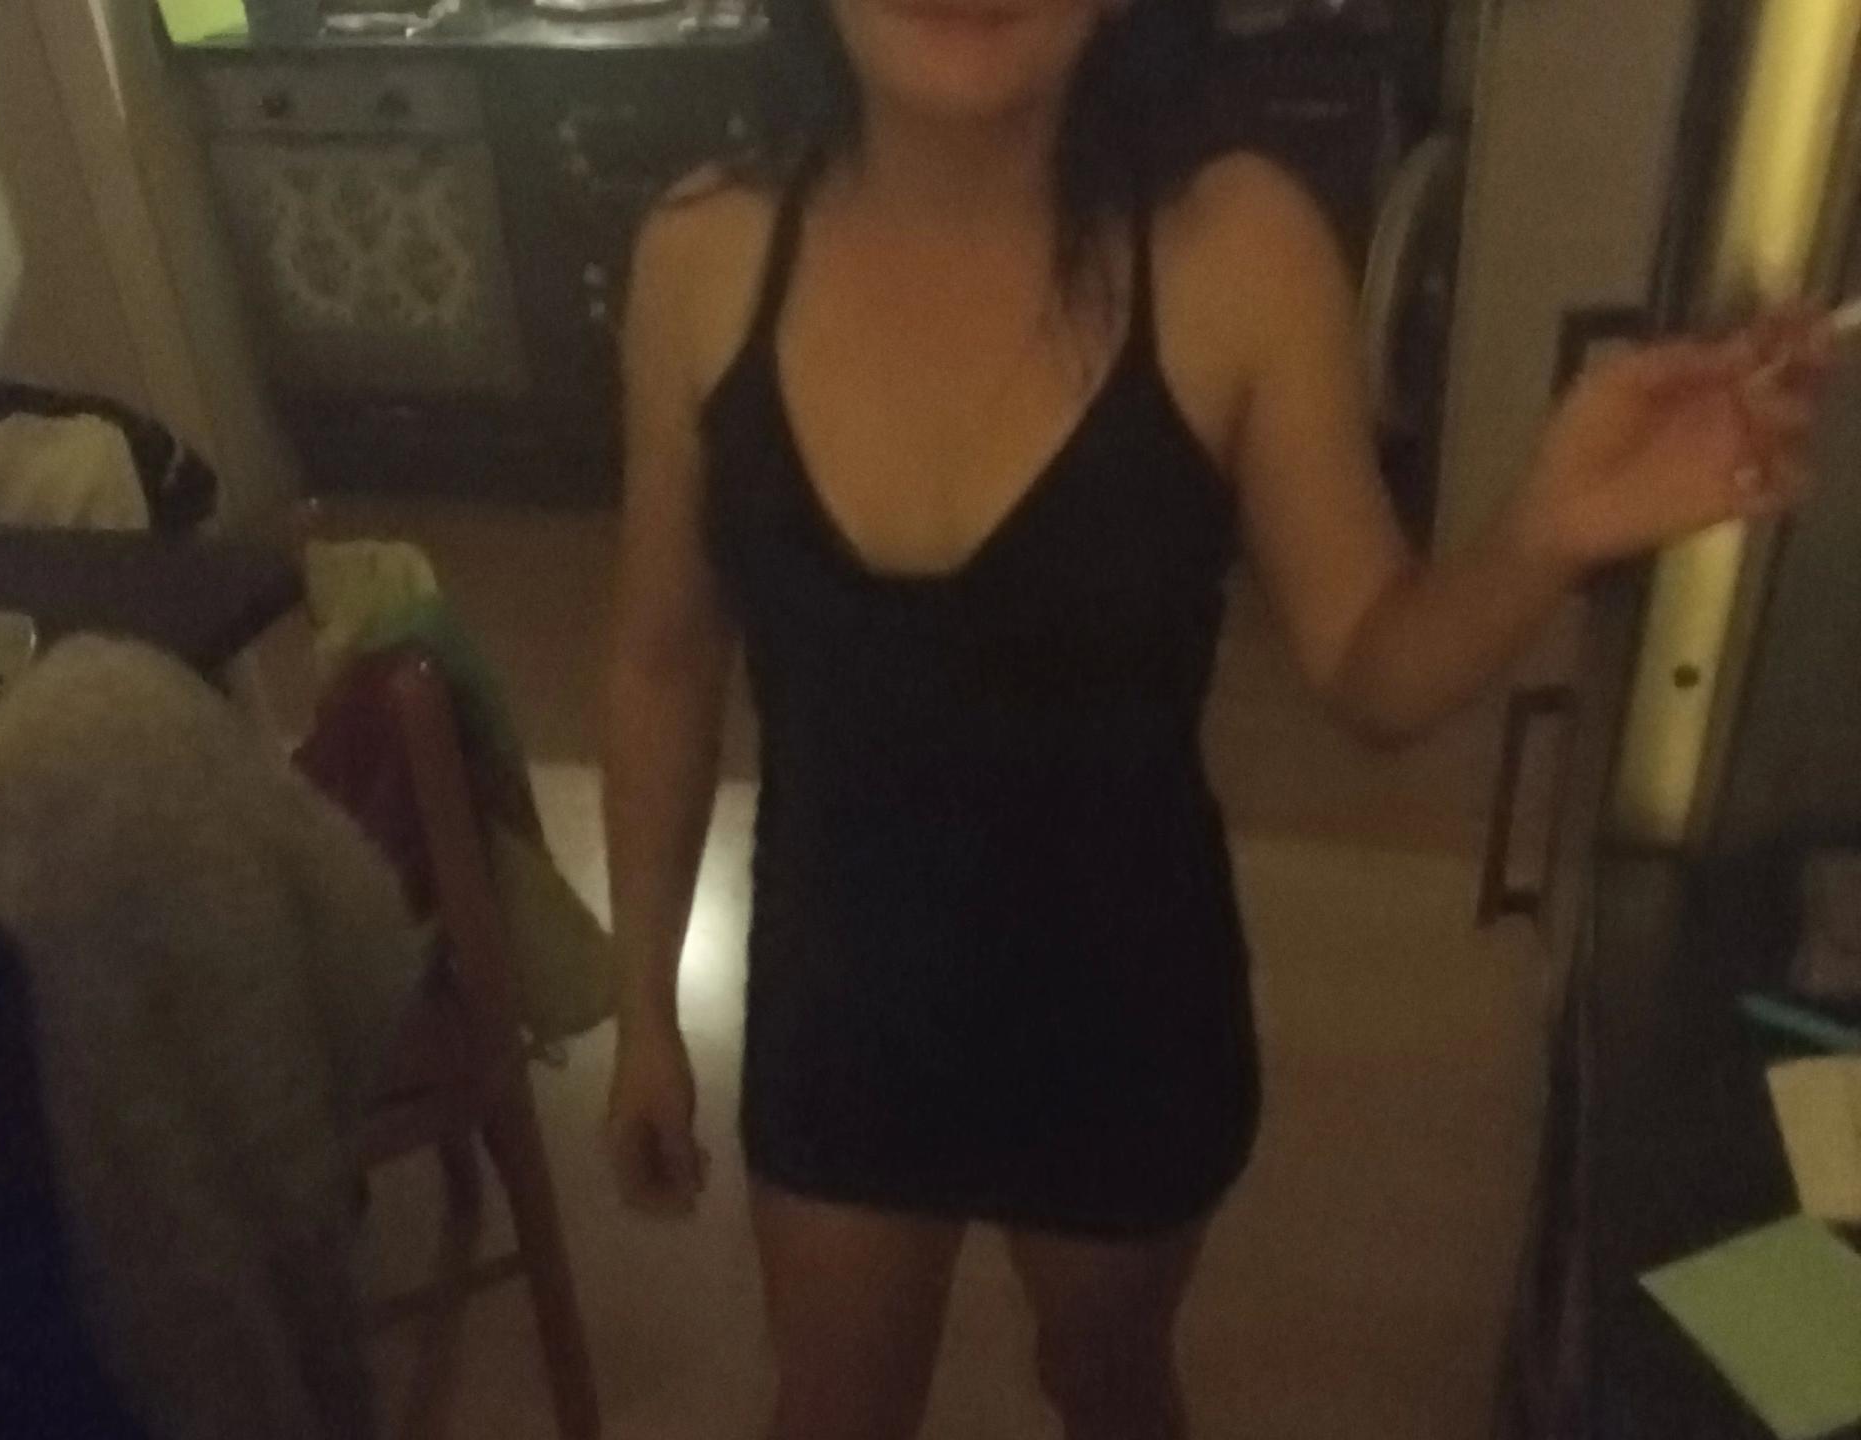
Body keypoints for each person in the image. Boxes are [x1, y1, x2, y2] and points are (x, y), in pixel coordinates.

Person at [600, 0, 1833, 1434]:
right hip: (840, 1007)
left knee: (1107, 1381)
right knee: (832, 1411)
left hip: (1124, 1013)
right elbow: (660, 660)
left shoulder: (1236, 249)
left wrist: (1548, 530)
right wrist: (643, 1010)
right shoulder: (702, 257)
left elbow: (1371, 663)